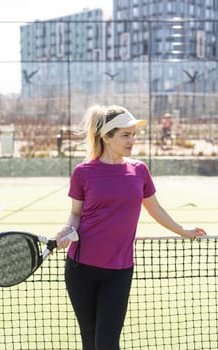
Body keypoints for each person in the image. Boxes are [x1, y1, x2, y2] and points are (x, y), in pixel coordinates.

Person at [55, 105, 207, 350]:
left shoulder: (139, 170)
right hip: (80, 268)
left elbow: (155, 209)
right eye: (126, 135)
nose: (132, 140)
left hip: (120, 271)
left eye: (134, 134)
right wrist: (66, 230)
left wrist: (183, 230)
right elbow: (75, 214)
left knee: (107, 343)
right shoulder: (82, 173)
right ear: (107, 137)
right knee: (89, 341)